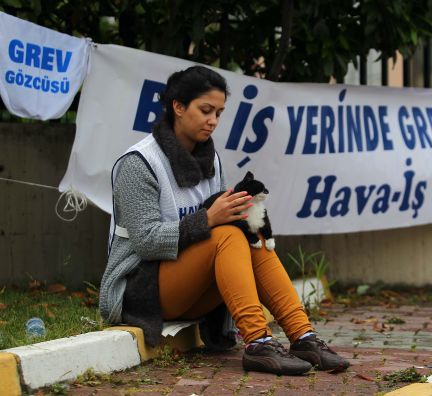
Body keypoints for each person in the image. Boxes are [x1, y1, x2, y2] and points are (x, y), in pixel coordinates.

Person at [99, 65, 349, 375]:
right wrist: (208, 218)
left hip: (189, 288)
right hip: (140, 291)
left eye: (219, 112)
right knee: (227, 236)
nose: (213, 121)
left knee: (247, 233)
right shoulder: (138, 163)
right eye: (205, 110)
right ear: (177, 107)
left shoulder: (210, 160)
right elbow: (146, 242)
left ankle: (304, 336)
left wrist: (242, 213)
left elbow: (221, 224)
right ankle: (258, 342)